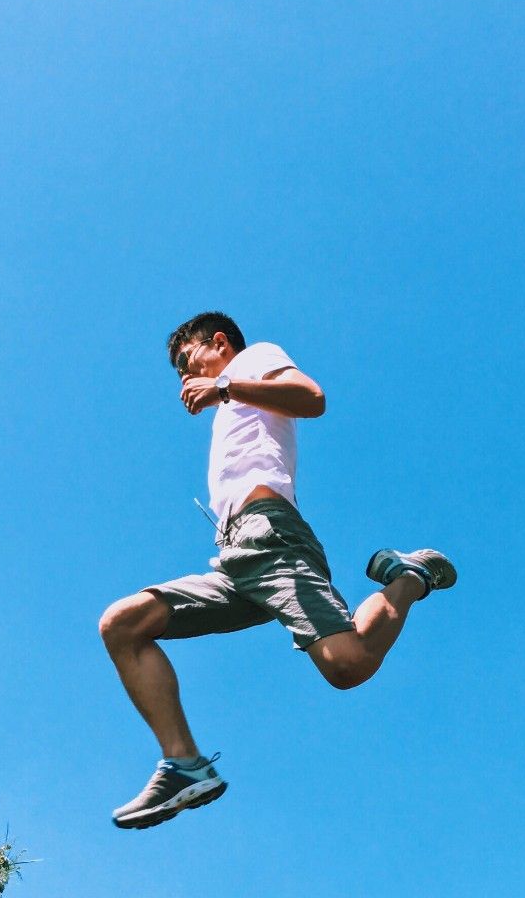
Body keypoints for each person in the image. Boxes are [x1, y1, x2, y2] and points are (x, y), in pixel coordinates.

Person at [98, 311, 456, 829]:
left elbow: (312, 398)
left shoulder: (253, 358)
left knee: (347, 665)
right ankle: (185, 765)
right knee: (122, 624)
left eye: (185, 360)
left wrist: (222, 383)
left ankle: (407, 576)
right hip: (234, 558)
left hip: (270, 535)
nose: (183, 375)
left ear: (218, 343)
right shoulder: (232, 399)